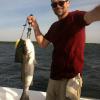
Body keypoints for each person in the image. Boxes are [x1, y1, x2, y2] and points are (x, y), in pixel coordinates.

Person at [27, 0, 100, 100]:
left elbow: (94, 14)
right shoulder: (54, 26)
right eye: (54, 4)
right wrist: (35, 26)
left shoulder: (77, 17)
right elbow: (42, 43)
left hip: (71, 79)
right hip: (53, 77)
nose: (57, 6)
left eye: (61, 2)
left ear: (68, 3)